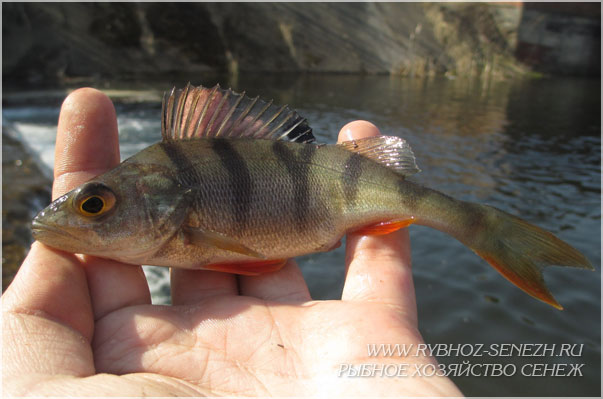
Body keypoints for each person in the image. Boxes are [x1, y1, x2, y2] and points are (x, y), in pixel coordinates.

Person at [2, 88, 462, 396]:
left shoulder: (176, 220)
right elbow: (245, 260)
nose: (85, 216)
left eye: (94, 207)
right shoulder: (167, 214)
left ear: (158, 198)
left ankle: (472, 224)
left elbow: (246, 259)